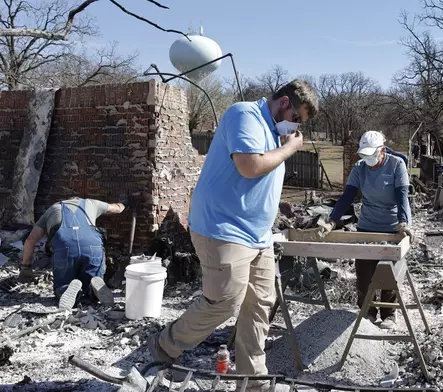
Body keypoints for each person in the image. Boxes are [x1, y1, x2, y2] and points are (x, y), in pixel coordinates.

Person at [147, 79, 319, 391]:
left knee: (259, 304)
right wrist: (289, 148)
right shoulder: (245, 116)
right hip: (222, 228)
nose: (296, 128)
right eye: (297, 118)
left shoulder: (272, 131)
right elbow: (250, 167)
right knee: (224, 301)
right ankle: (163, 346)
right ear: (283, 103)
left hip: (258, 235)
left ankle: (253, 381)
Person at [317, 131, 413, 330]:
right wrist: (332, 221)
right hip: (367, 225)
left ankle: (389, 313)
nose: (367, 159)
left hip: (392, 226)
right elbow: (347, 196)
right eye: (364, 155)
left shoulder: (396, 165)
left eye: (371, 155)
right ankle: (367, 311)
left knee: (389, 273)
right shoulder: (360, 168)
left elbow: (402, 196)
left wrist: (403, 222)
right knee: (364, 273)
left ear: (382, 151)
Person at [18, 197, 126, 310]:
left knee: (62, 286)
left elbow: (30, 241)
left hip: (64, 248)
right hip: (92, 246)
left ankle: (66, 289)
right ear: (78, 199)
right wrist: (123, 204)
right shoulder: (92, 203)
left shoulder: (53, 209)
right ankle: (94, 290)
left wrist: (26, 267)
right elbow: (117, 209)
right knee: (92, 277)